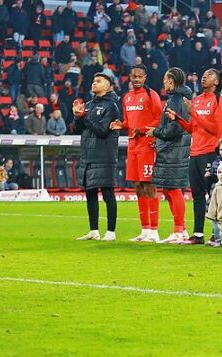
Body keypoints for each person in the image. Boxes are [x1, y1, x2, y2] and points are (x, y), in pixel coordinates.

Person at [171, 68, 222, 245]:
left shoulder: (220, 100)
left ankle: (216, 233)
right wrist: (178, 119)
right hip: (194, 153)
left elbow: (216, 129)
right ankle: (198, 234)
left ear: (217, 82)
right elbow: (193, 128)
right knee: (197, 194)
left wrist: (193, 112)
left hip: (211, 152)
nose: (204, 77)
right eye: (203, 75)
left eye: (209, 75)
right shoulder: (196, 101)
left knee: (213, 194)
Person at [113, 61, 163, 241]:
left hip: (147, 145)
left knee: (149, 185)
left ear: (145, 78)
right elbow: (128, 122)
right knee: (137, 186)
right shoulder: (126, 97)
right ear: (130, 77)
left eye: (139, 76)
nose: (136, 79)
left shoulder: (151, 95)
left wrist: (145, 131)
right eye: (133, 76)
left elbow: (160, 119)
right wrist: (120, 124)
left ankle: (155, 231)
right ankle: (145, 230)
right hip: (132, 146)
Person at [74, 71, 121, 242]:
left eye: (99, 81)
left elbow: (102, 131)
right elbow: (76, 130)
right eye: (94, 80)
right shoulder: (89, 104)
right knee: (90, 193)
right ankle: (93, 230)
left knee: (108, 193)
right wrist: (77, 116)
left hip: (104, 154)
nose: (94, 83)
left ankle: (111, 231)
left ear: (107, 86)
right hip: (88, 154)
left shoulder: (112, 106)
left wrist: (85, 116)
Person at [151, 67, 193, 244]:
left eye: (165, 79)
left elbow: (175, 128)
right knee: (169, 189)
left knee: (173, 189)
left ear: (171, 81)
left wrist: (157, 132)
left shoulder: (176, 100)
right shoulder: (178, 99)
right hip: (173, 149)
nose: (163, 82)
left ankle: (179, 231)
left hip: (174, 150)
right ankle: (180, 230)